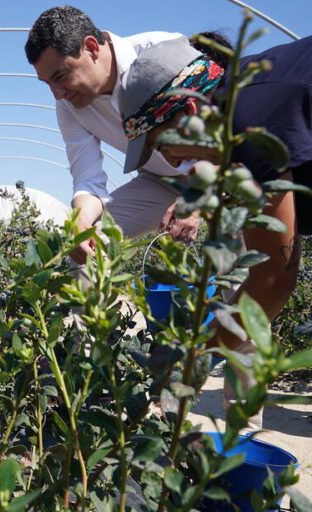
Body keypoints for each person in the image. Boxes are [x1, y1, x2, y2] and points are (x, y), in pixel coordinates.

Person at [119, 36, 312, 428]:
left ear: (190, 110)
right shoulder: (243, 112)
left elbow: (272, 279)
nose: (170, 160)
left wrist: (195, 355)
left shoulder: (250, 118)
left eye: (161, 144)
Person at [24, 6, 198, 265]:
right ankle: (89, 307)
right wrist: (80, 221)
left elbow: (237, 127)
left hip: (227, 170)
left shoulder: (164, 53)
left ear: (92, 47)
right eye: (47, 83)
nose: (57, 94)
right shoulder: (69, 105)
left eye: (60, 76)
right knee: (85, 252)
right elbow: (88, 179)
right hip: (160, 180)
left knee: (243, 274)